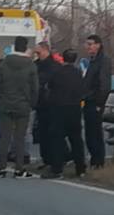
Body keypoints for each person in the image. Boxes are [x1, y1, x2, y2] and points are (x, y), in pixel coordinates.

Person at [0, 36, 39, 178]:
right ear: (25, 48)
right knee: (20, 137)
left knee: (5, 137)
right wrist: (32, 103)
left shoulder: (4, 63)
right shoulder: (31, 65)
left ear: (14, 46)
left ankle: (2, 167)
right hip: (23, 105)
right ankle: (19, 168)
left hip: (6, 104)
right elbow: (35, 88)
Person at [42, 49, 86, 179]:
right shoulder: (79, 73)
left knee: (57, 139)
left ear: (63, 58)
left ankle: (57, 169)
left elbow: (48, 87)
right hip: (75, 109)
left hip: (59, 108)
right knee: (76, 139)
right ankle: (80, 168)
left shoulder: (57, 72)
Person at [82, 34, 111, 169]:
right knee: (89, 132)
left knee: (95, 133)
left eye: (90, 44)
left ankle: (98, 161)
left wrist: (100, 103)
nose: (88, 47)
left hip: (95, 101)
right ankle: (94, 159)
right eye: (87, 44)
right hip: (88, 100)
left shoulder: (103, 61)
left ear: (98, 45)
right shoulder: (92, 61)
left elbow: (104, 84)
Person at [34, 41, 61, 168]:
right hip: (40, 103)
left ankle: (54, 159)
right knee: (42, 133)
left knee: (51, 133)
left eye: (38, 52)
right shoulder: (36, 65)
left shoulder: (54, 66)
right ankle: (46, 159)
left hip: (51, 104)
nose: (37, 54)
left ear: (45, 50)